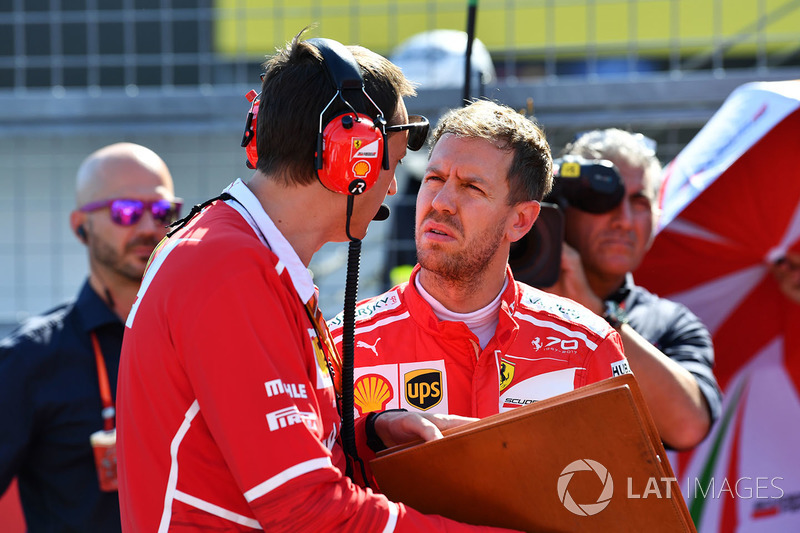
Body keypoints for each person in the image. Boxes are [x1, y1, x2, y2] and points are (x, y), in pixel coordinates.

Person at [116, 33, 519, 532]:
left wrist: (368, 433)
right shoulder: (228, 273)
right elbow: (306, 511)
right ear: (351, 156)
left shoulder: (238, 254)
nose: (392, 186)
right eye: (389, 164)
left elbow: (250, 442)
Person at [328, 100, 630, 424]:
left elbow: (623, 473)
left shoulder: (587, 347)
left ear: (521, 220)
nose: (442, 202)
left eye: (471, 187)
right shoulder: (342, 346)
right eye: (434, 179)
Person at [0, 142, 180, 532]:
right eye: (126, 212)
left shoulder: (202, 339)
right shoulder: (31, 358)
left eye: (164, 211)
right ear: (81, 226)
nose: (149, 227)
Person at [547, 128, 722, 450]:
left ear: (657, 215)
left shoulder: (671, 323)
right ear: (560, 205)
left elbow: (687, 426)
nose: (624, 220)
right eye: (604, 198)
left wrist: (595, 316)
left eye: (639, 201)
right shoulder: (500, 295)